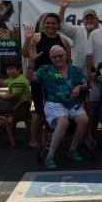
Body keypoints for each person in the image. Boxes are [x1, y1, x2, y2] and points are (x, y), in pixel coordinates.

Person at [26, 45, 89, 170]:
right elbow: (30, 77)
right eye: (54, 57)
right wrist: (32, 60)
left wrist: (79, 87)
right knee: (63, 121)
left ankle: (72, 149)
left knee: (84, 120)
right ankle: (50, 156)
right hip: (54, 103)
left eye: (61, 55)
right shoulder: (46, 69)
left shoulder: (74, 70)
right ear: (50, 58)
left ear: (66, 56)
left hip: (73, 103)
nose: (58, 58)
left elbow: (85, 83)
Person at [22, 13, 72, 149]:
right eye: (47, 23)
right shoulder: (36, 37)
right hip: (38, 79)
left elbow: (68, 63)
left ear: (58, 25)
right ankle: (33, 138)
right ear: (44, 24)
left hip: (56, 83)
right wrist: (27, 40)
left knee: (57, 111)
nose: (50, 25)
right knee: (39, 111)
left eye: (53, 23)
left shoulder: (64, 41)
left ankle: (53, 137)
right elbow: (25, 54)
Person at [58, 0, 100, 72]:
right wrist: (63, 8)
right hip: (78, 71)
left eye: (92, 18)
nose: (89, 20)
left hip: (97, 71)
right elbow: (61, 26)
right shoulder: (77, 31)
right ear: (83, 21)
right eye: (87, 18)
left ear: (97, 20)